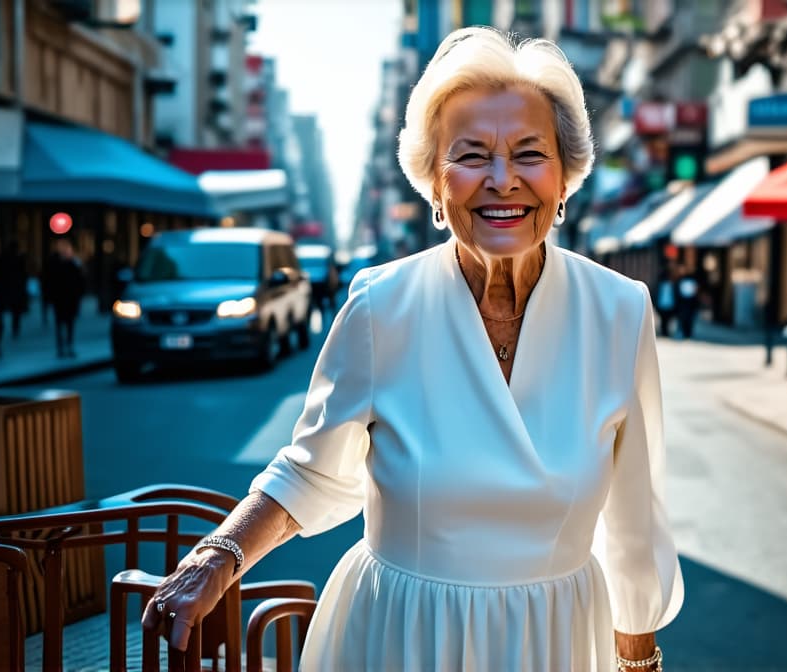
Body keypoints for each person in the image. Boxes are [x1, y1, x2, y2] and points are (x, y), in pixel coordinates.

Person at [142, 28, 683, 671]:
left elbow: (634, 517)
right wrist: (216, 556)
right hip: (404, 635)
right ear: (433, 182)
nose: (503, 180)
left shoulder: (620, 311)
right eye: (472, 155)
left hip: (554, 638)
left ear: (565, 177)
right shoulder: (381, 306)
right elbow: (310, 472)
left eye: (529, 154)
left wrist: (638, 658)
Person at [49, 238, 85, 357]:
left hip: (66, 300)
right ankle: (64, 347)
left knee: (66, 324)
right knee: (64, 324)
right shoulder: (64, 266)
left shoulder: (68, 266)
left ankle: (65, 346)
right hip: (64, 300)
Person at [675, 267, 700, 339]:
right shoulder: (680, 281)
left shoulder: (691, 281)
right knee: (683, 318)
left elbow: (695, 292)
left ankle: (688, 333)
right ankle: (684, 332)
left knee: (689, 319)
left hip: (691, 303)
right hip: (683, 303)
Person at [655, 264, 675, 338]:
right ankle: (664, 331)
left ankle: (665, 331)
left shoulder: (671, 284)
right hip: (663, 304)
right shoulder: (662, 284)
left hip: (667, 304)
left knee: (666, 319)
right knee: (664, 319)